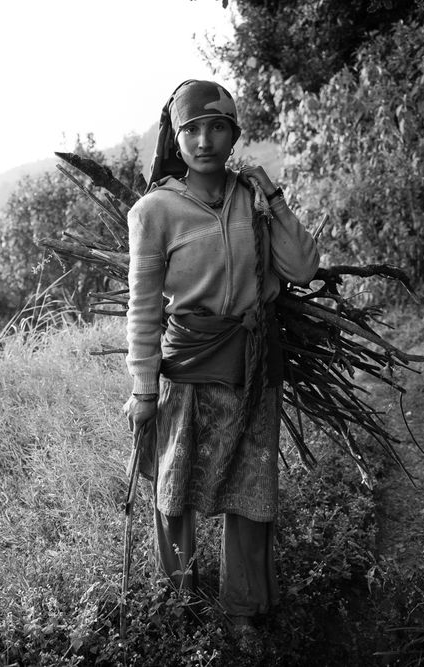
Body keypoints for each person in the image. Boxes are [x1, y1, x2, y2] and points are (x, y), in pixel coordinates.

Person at [122, 79, 320, 647]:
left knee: (251, 491)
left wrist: (273, 198)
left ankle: (242, 610)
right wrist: (142, 389)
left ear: (233, 133)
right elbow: (143, 306)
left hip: (254, 365)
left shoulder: (250, 198)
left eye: (217, 127)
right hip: (186, 363)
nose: (204, 140)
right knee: (175, 486)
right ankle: (181, 597)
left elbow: (302, 269)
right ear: (176, 138)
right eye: (191, 130)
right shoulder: (155, 211)